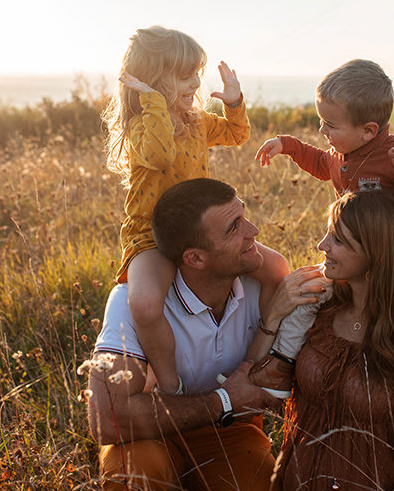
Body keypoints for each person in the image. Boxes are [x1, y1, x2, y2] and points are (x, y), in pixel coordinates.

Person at [252, 59, 394, 466]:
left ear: (369, 130)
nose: (323, 133)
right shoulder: (342, 153)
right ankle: (279, 366)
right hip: (352, 256)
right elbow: (319, 161)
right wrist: (288, 145)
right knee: (310, 291)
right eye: (321, 122)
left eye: (330, 125)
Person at [86, 178, 326, 491]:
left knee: (261, 486)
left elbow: (268, 390)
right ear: (195, 258)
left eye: (245, 216)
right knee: (137, 479)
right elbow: (106, 419)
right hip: (149, 437)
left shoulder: (263, 287)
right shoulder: (132, 300)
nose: (253, 231)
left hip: (229, 433)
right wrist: (223, 400)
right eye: (234, 227)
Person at [102, 26, 289, 395]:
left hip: (201, 232)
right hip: (151, 238)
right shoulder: (143, 127)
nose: (194, 84)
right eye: (184, 76)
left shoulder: (197, 122)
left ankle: (260, 360)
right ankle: (171, 385)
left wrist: (234, 104)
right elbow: (159, 154)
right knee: (143, 302)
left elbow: (237, 135)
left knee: (277, 268)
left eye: (196, 75)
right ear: (155, 81)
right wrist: (153, 102)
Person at [271, 191, 394, 491]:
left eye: (338, 240)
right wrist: (272, 315)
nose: (321, 246)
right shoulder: (317, 308)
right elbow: (263, 392)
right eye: (327, 234)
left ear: (376, 255)